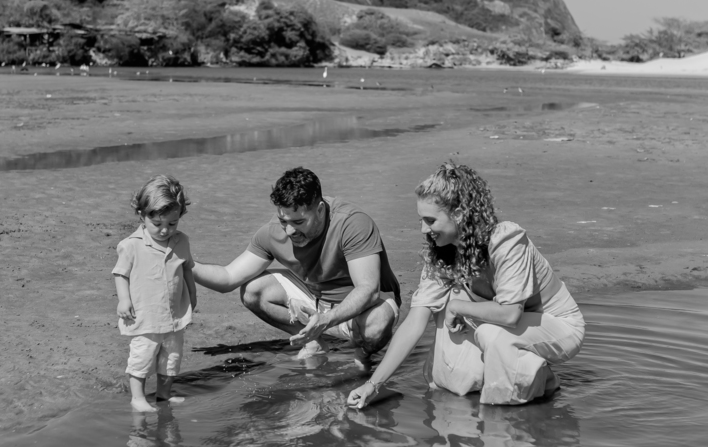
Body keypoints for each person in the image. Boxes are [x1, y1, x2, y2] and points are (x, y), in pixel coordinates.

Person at [348, 162, 584, 409]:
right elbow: (414, 325)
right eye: (421, 220)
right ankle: (536, 380)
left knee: (489, 332)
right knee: (450, 377)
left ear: (459, 215)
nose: (422, 230)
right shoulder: (441, 254)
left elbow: (511, 314)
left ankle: (500, 418)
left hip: (559, 326)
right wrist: (372, 385)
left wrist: (457, 306)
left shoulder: (507, 240)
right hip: (513, 327)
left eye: (430, 220)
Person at [193, 167, 400, 367]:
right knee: (252, 291)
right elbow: (228, 278)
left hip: (362, 307)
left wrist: (327, 320)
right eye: (283, 220)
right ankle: (311, 340)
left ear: (319, 210)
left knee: (377, 324)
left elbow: (369, 290)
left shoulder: (352, 223)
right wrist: (184, 264)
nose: (290, 230)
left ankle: (362, 354)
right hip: (315, 302)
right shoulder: (273, 231)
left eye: (299, 221)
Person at [112, 175, 197, 412]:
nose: (164, 230)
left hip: (174, 316)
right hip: (145, 315)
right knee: (142, 357)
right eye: (157, 224)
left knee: (171, 359)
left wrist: (193, 294)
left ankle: (163, 396)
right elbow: (120, 274)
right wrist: (124, 300)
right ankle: (137, 398)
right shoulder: (131, 245)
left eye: (172, 224)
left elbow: (187, 269)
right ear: (142, 215)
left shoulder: (181, 241)